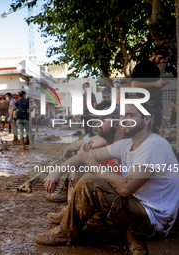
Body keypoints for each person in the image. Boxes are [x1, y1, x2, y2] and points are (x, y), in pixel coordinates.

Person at [35, 99, 179, 246]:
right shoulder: (127, 144)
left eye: (130, 115)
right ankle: (71, 221)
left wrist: (91, 162)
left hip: (153, 223)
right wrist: (57, 171)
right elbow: (85, 155)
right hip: (137, 206)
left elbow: (125, 188)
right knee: (88, 175)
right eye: (122, 116)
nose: (123, 120)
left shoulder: (154, 145)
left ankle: (67, 233)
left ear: (146, 119)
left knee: (90, 181)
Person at [45, 101, 125, 223]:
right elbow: (82, 150)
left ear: (117, 124)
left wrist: (59, 169)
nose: (98, 124)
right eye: (98, 120)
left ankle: (72, 214)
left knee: (85, 174)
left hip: (123, 197)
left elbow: (80, 145)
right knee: (80, 166)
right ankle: (72, 209)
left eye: (102, 120)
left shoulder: (117, 142)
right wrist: (58, 171)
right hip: (117, 188)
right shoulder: (109, 140)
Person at [131, 45, 170, 134]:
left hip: (158, 105)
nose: (161, 61)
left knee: (155, 132)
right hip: (146, 105)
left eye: (163, 59)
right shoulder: (141, 66)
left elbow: (154, 85)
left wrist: (160, 85)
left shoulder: (156, 69)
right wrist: (155, 84)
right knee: (146, 133)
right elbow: (134, 85)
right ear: (153, 54)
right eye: (160, 58)